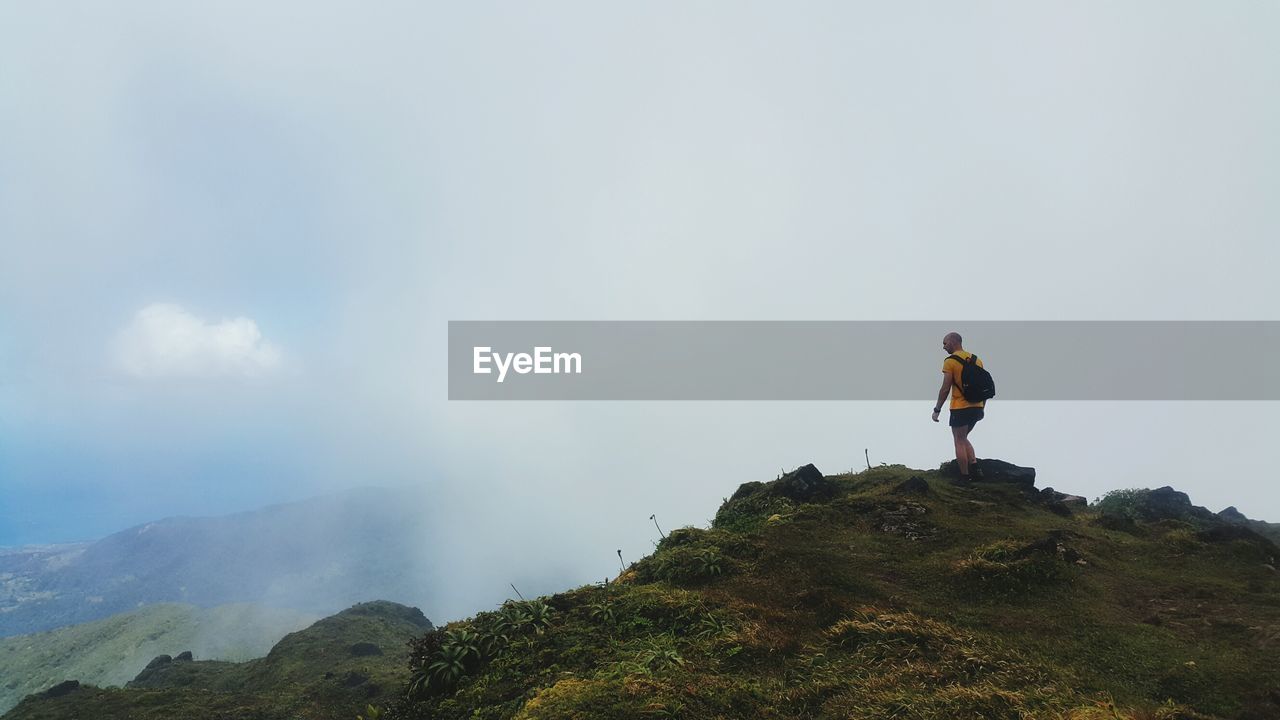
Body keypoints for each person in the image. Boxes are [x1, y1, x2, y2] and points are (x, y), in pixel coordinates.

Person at [931, 332, 985, 484]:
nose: (943, 347)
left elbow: (945, 388)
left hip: (960, 406)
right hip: (977, 406)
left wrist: (937, 409)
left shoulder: (950, 361)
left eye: (945, 343)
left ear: (953, 342)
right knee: (963, 437)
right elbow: (983, 386)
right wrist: (982, 407)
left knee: (959, 440)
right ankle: (975, 467)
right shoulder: (977, 360)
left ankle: (964, 477)